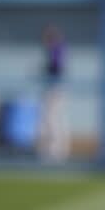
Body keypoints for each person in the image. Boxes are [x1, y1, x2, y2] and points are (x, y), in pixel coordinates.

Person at [37, 25, 70, 162]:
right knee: (51, 118)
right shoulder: (55, 48)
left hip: (55, 86)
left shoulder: (57, 48)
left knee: (53, 118)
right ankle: (55, 150)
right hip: (54, 86)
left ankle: (56, 151)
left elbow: (57, 67)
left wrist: (44, 69)